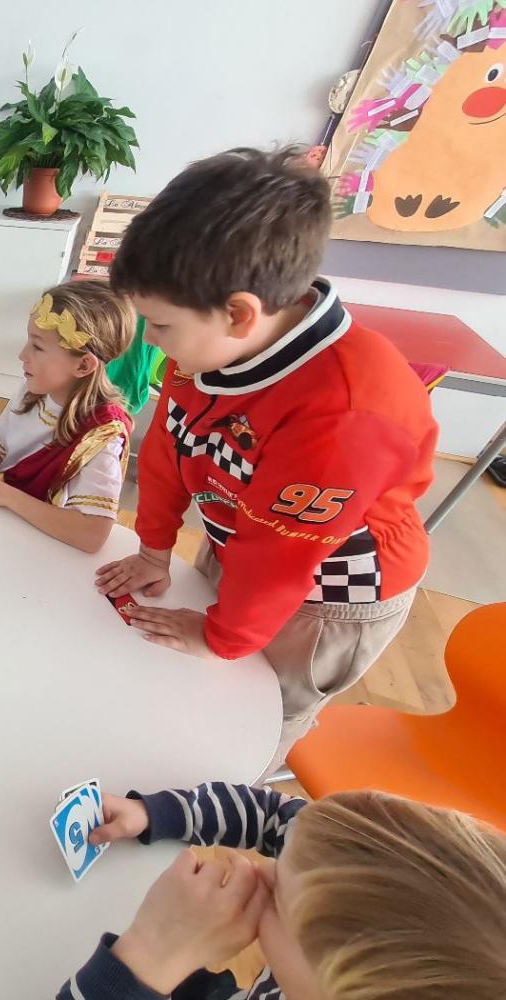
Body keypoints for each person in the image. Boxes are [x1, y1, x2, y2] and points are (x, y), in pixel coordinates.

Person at [94, 148, 438, 773]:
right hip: (245, 541)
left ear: (240, 314)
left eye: (159, 326)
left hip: (331, 595)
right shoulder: (209, 348)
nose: (150, 341)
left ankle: (227, 802)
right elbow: (170, 448)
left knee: (257, 717)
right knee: (197, 685)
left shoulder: (347, 410)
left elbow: (284, 556)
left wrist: (224, 636)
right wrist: (153, 547)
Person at [56, 781, 506, 999]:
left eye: (277, 899)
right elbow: (277, 815)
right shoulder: (340, 867)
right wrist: (161, 814)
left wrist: (150, 955)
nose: (264, 871)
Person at [0, 280, 135, 553]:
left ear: (83, 365)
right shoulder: (32, 389)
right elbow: (1, 453)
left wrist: (4, 495)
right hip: (9, 527)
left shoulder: (102, 434)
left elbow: (92, 536)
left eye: (37, 346)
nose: (22, 354)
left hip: (49, 548)